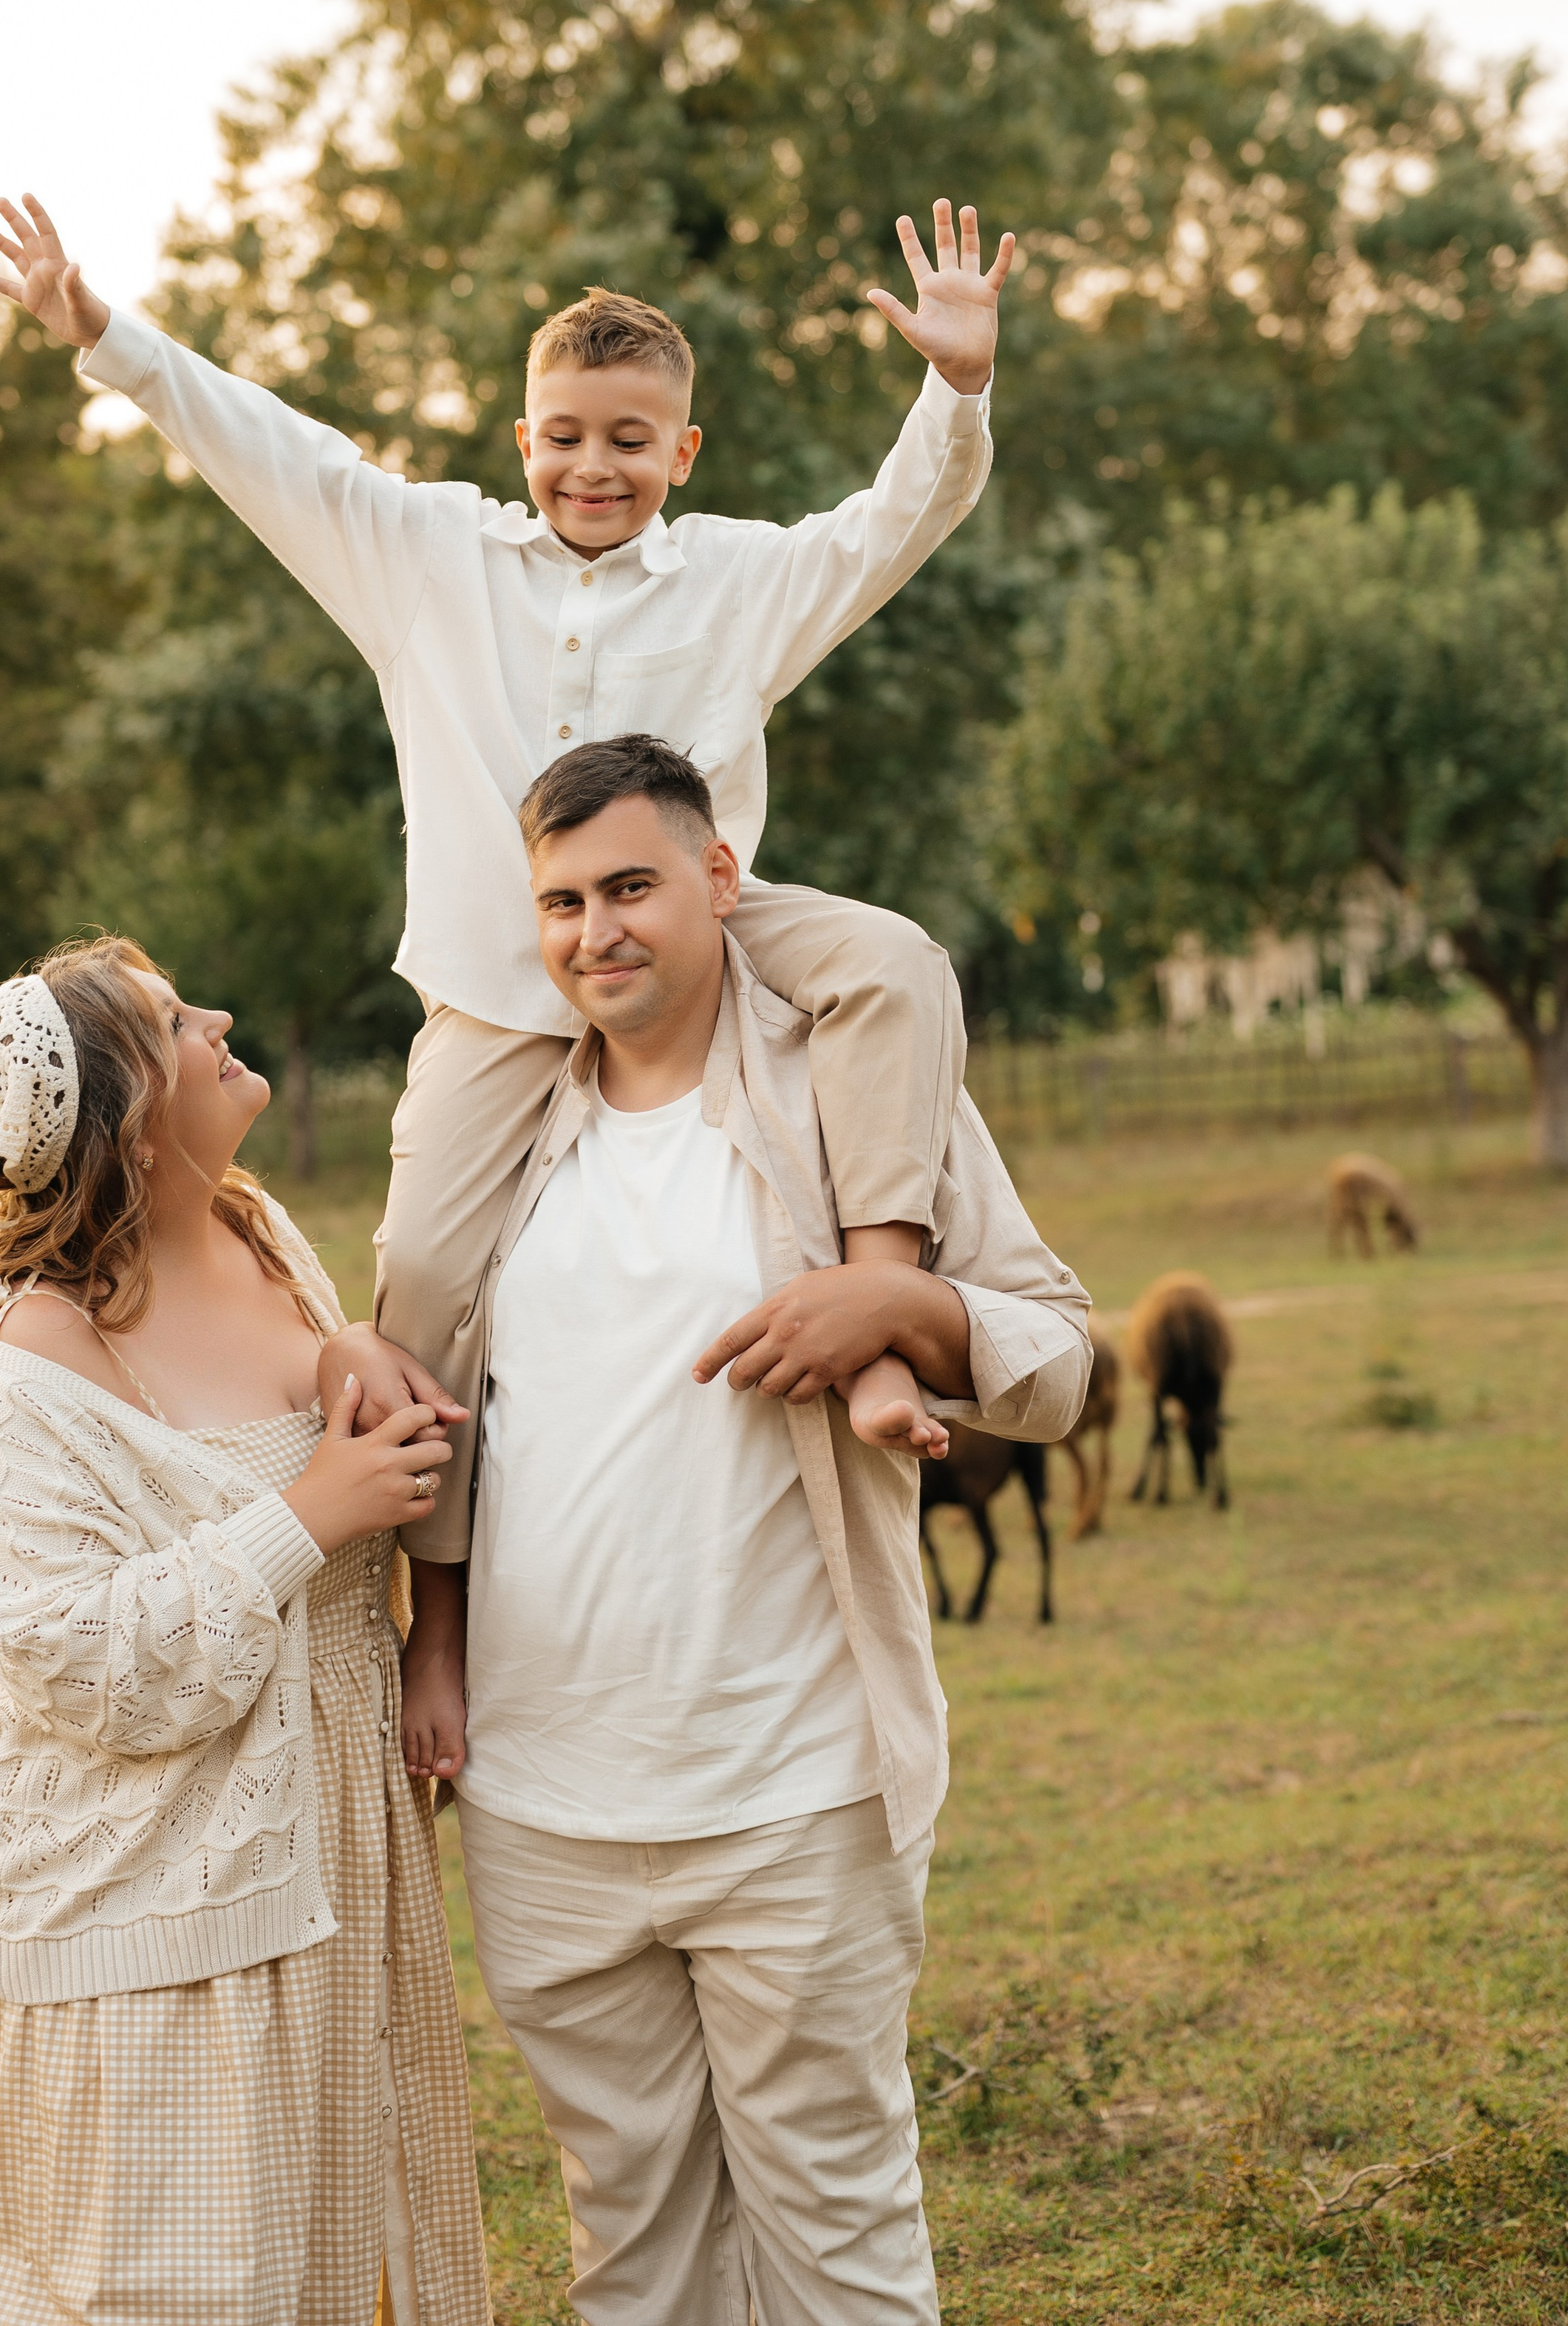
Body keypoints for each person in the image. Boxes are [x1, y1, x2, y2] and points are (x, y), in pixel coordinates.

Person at [0, 189, 1013, 1436]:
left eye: (632, 441)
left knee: (895, 964)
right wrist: (106, 333)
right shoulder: (428, 559)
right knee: (418, 1279)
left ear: (682, 456)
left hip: (708, 951)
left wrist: (955, 393)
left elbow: (891, 529)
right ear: (524, 440)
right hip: (498, 983)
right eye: (567, 437)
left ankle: (884, 1296)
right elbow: (274, 453)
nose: (595, 466)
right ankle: (447, 1605)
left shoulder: (741, 583)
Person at [397, 735, 1091, 2326]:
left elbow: (1058, 1357)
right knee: (629, 2252)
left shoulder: (844, 1092)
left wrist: (900, 1301)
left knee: (838, 2242)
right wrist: (429, 1643)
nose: (596, 932)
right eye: (563, 901)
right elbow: (441, 1413)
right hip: (544, 1803)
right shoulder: (503, 1142)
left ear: (721, 880)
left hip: (789, 1789)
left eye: (631, 884)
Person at [0, 934, 489, 2326]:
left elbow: (294, 1402)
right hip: (155, 1907)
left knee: (319, 2259)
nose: (220, 1017)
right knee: (176, 2280)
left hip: (324, 1849)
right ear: (123, 1113)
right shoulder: (23, 1359)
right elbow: (69, 1656)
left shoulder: (254, 1228)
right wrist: (311, 1513)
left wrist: (339, 1350)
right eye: (176, 1020)